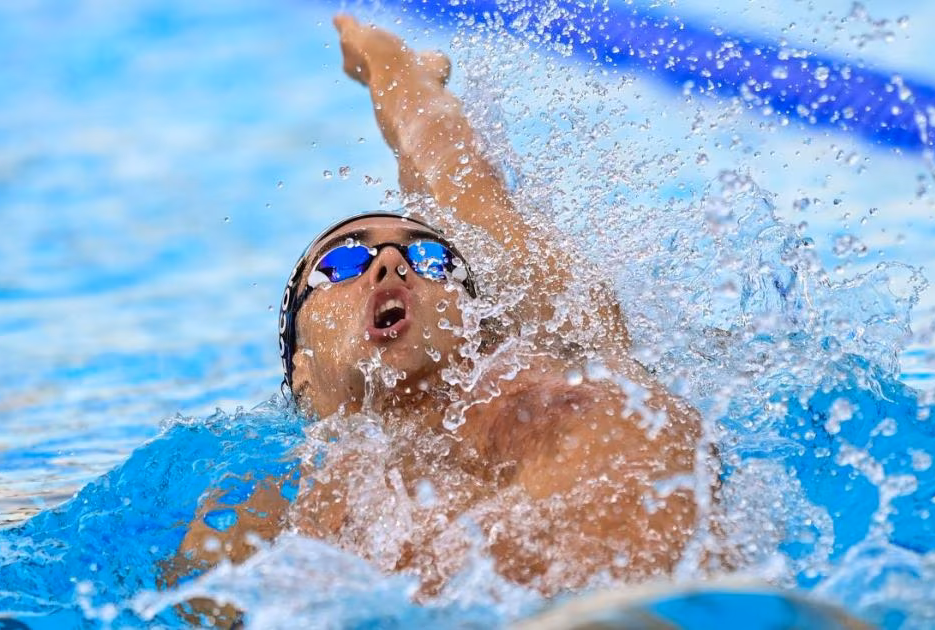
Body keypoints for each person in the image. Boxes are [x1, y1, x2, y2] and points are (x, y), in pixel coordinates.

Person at [161, 14, 708, 614]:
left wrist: (391, 70)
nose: (390, 263)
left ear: (474, 321)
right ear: (303, 373)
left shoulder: (555, 357)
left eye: (431, 259)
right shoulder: (265, 512)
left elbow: (457, 179)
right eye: (342, 262)